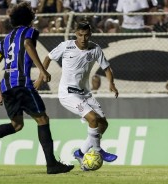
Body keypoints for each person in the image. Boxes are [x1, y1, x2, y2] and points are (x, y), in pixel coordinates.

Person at [0, 2, 74, 174]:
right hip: (22, 84)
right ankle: (52, 164)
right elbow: (27, 45)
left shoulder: (4, 40)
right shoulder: (29, 32)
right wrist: (42, 69)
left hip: (7, 87)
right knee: (43, 120)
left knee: (16, 125)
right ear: (29, 18)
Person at [34, 21, 119, 170]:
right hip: (68, 93)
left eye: (86, 35)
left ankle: (80, 152)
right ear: (75, 34)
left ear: (90, 35)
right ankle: (99, 151)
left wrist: (111, 84)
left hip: (85, 93)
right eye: (80, 35)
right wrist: (41, 78)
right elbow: (48, 58)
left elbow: (107, 68)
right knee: (93, 119)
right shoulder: (66, 46)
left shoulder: (95, 49)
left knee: (103, 124)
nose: (83, 39)